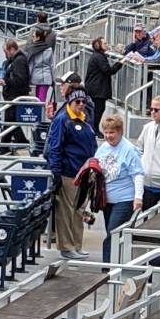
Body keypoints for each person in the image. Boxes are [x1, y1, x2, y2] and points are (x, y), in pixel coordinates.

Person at [45, 88, 96, 258]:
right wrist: (56, 173)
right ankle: (66, 247)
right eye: (77, 102)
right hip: (68, 173)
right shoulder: (62, 120)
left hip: (84, 173)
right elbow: (55, 147)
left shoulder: (85, 120)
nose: (81, 105)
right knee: (66, 211)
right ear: (70, 103)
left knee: (79, 210)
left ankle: (77, 244)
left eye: (83, 102)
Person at [93, 107, 143, 261]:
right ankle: (116, 263)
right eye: (106, 133)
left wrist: (138, 197)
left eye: (112, 133)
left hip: (124, 199)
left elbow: (138, 174)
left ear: (120, 131)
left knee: (113, 233)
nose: (108, 136)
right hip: (107, 199)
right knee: (111, 232)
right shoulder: (103, 148)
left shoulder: (129, 150)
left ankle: (107, 268)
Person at [82, 36, 117, 122]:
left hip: (96, 87)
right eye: (104, 43)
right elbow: (108, 70)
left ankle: (94, 128)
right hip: (97, 89)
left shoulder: (98, 56)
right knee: (98, 109)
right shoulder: (99, 57)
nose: (106, 45)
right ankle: (94, 128)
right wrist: (120, 63)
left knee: (98, 109)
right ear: (98, 45)